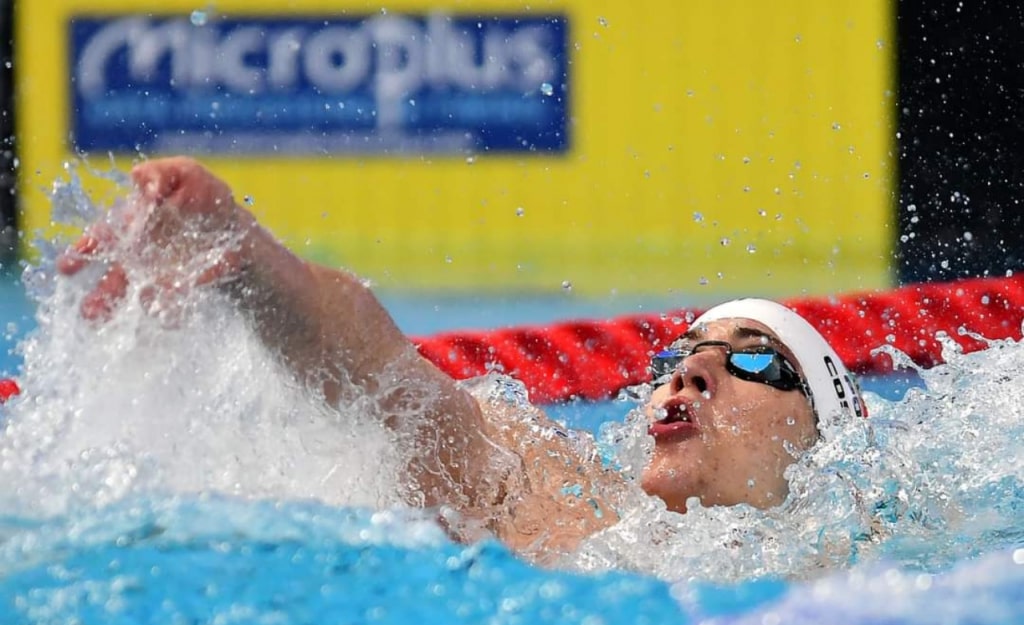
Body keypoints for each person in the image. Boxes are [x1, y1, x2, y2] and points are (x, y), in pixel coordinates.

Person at [56, 157, 866, 562]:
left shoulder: (859, 575)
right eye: (680, 357)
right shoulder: (565, 508)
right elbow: (389, 385)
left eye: (753, 364)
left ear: (828, 436)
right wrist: (251, 264)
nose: (688, 375)